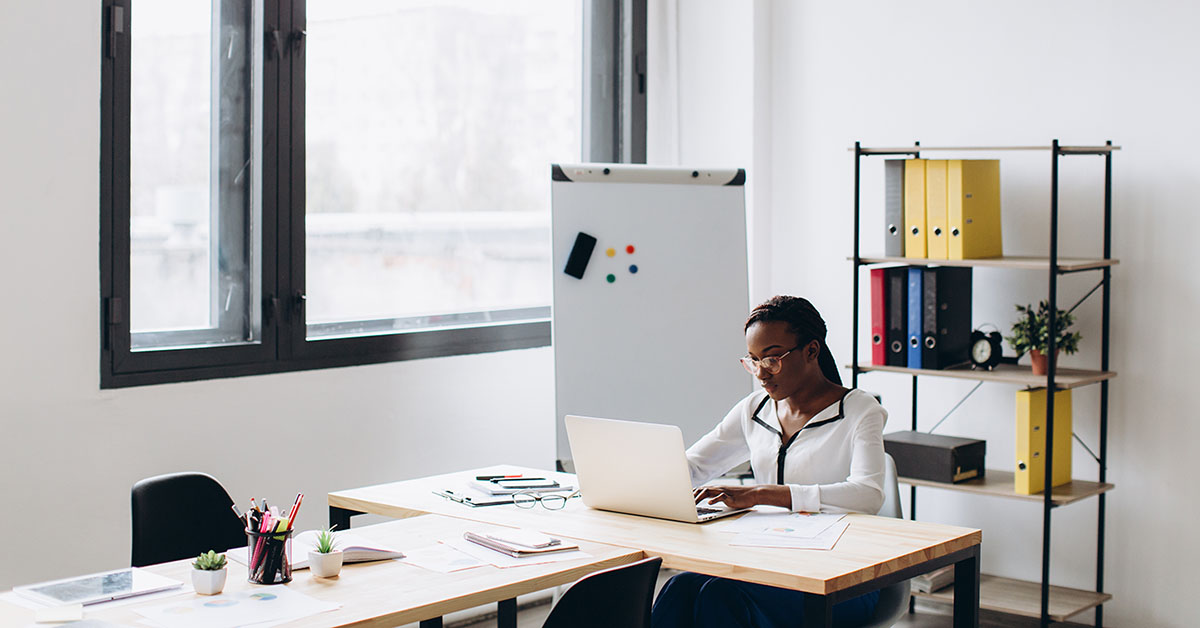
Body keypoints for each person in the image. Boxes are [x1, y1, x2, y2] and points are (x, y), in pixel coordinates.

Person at [650, 295, 888, 628]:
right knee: (681, 587)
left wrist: (763, 494)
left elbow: (868, 494)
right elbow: (693, 467)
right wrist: (634, 478)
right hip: (767, 564)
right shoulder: (755, 408)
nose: (761, 373)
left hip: (841, 576)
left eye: (772, 359)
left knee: (720, 596)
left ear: (811, 351)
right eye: (753, 360)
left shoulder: (859, 410)